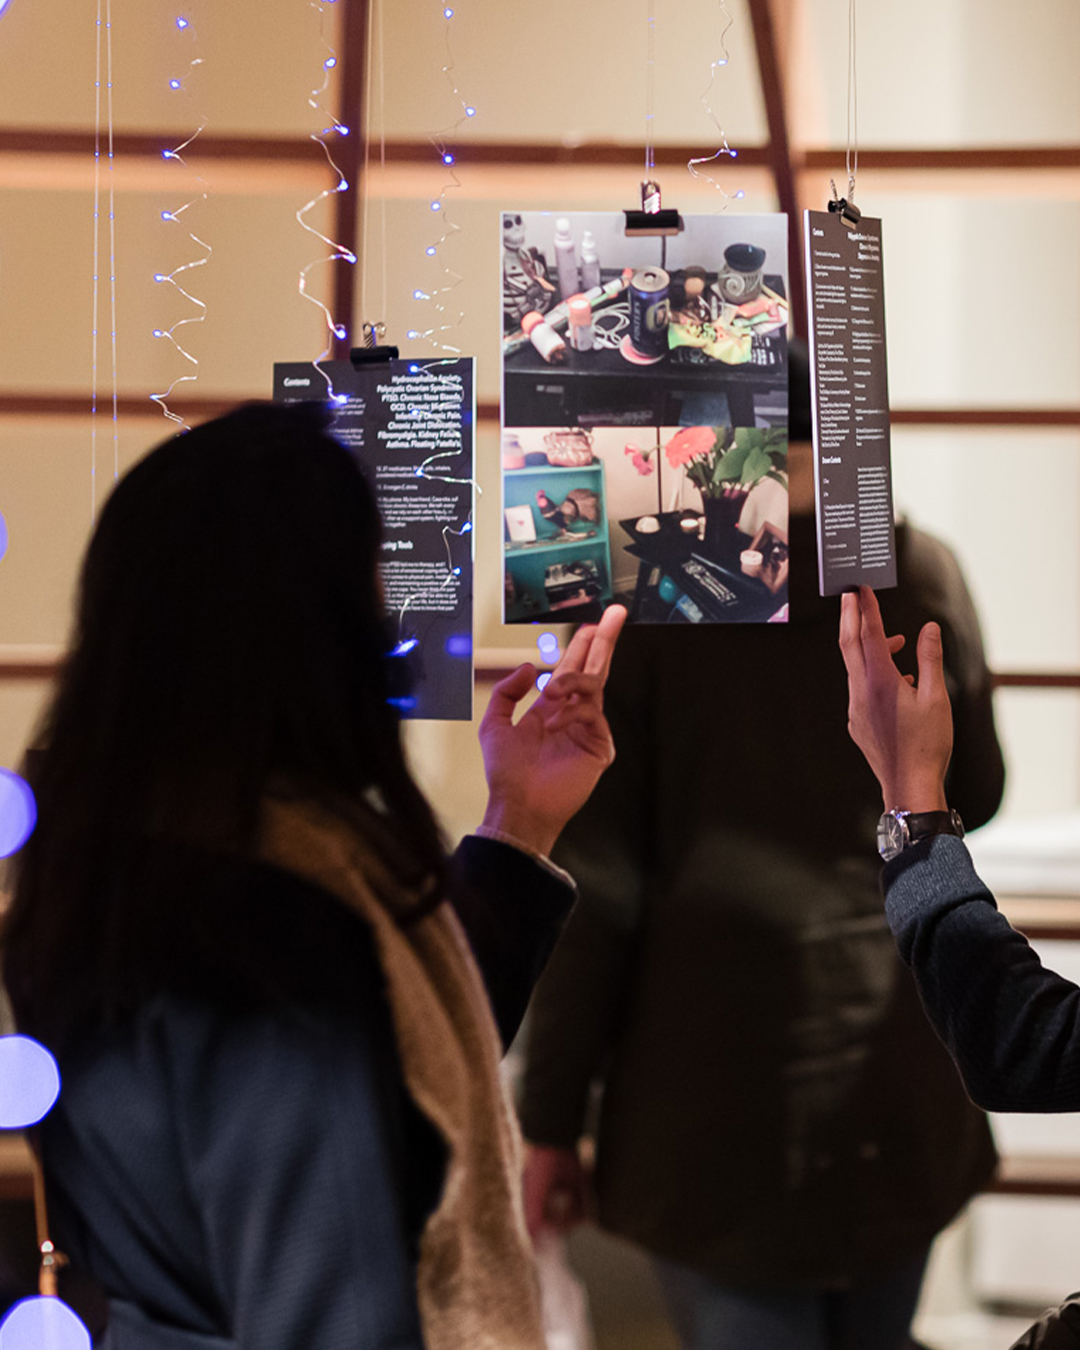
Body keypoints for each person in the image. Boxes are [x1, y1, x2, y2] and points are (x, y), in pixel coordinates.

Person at [0, 402, 626, 1350]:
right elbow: (332, 1281)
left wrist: (520, 819)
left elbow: (406, 1089)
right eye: (374, 572)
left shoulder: (132, 840)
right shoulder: (255, 920)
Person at [517, 348, 1005, 1350]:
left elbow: (598, 895)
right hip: (902, 1060)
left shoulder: (654, 607)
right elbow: (981, 793)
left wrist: (549, 1120)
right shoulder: (918, 578)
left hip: (709, 1099)